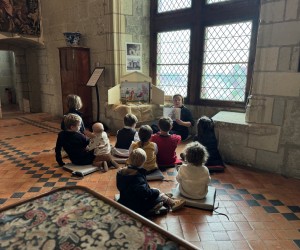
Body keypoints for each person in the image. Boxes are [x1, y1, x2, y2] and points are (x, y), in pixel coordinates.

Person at [117, 148, 186, 216]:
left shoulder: (120, 172)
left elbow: (122, 187)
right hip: (137, 207)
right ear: (144, 161)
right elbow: (144, 193)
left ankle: (164, 197)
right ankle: (172, 203)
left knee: (154, 191)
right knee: (157, 193)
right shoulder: (138, 177)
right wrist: (156, 192)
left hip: (124, 201)